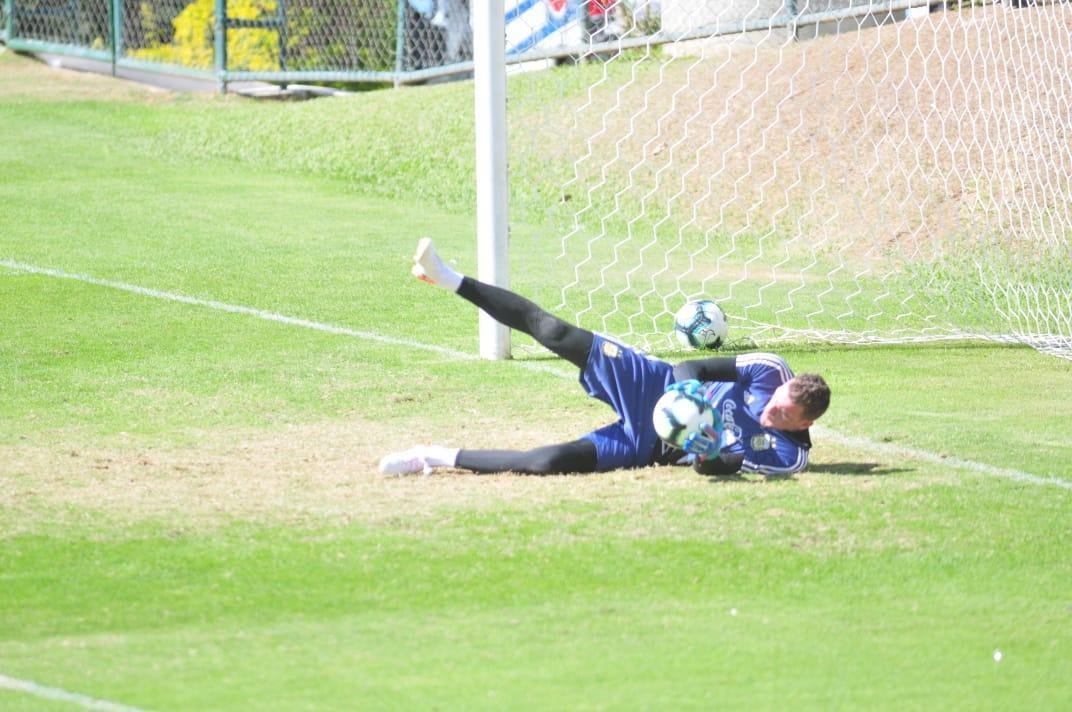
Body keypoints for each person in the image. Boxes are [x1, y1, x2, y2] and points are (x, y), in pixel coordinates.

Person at [378, 238, 831, 477]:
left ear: (803, 422)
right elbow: (690, 367)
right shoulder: (771, 373)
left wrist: (703, 444)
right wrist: (691, 399)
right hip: (656, 385)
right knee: (555, 332)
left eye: (781, 411)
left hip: (650, 445)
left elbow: (716, 468)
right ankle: (448, 276)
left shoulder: (787, 456)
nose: (771, 405)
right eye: (776, 399)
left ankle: (431, 457)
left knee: (546, 463)